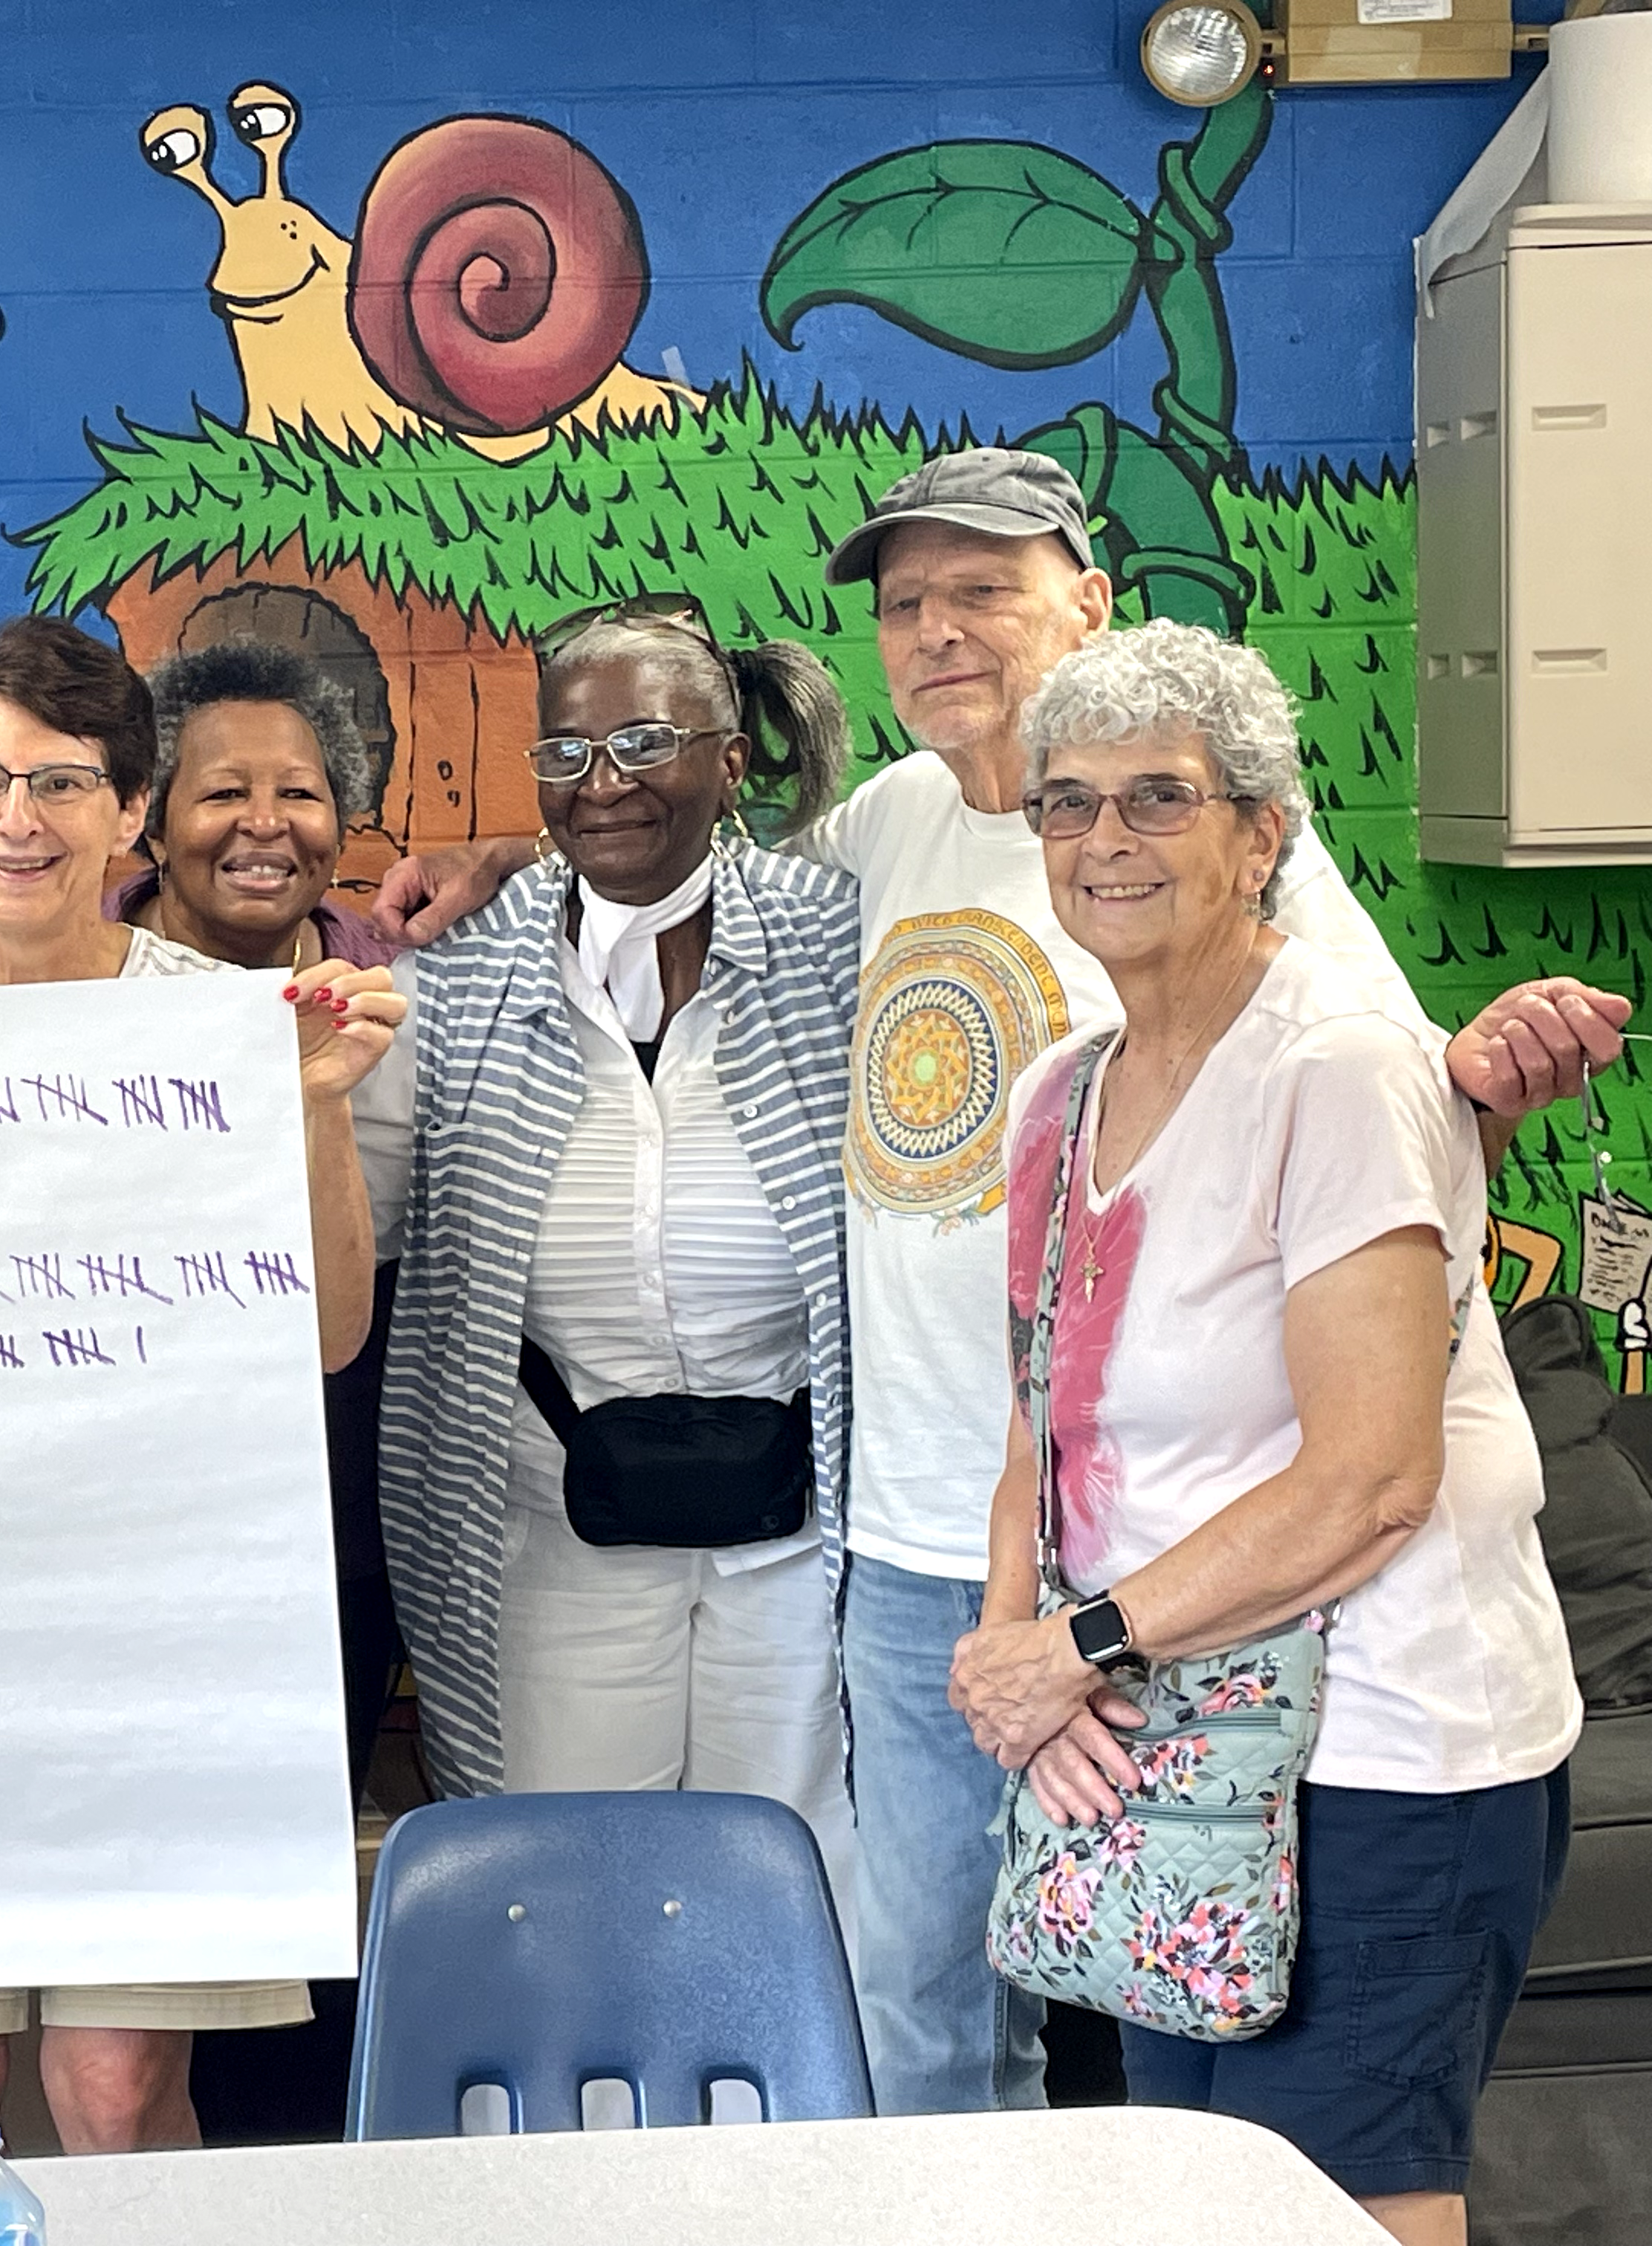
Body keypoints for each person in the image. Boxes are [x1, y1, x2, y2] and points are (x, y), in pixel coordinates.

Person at [368, 446, 1626, 2114]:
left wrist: (1474, 1068)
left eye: (986, 591)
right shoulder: (874, 832)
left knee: (1180, 1980)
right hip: (918, 1541)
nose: (940, 631)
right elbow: (665, 858)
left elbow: (1373, 1094)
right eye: (908, 603)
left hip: (1172, 1553)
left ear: (1088, 605)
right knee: (918, 1991)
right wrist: (501, 875)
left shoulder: (1221, 846)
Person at [948, 621, 1580, 2244]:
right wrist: (1011, 1656)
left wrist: (1081, 1641)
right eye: (1068, 804)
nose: (1104, 841)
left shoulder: (1340, 1072)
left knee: (1344, 2215)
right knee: (1201, 2206)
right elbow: (1042, 1426)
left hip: (1383, 1760)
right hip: (1181, 1756)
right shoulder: (1063, 1099)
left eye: (1159, 798)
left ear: (1262, 834)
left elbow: (1373, 1479)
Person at [0, 614, 402, 2164]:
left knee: (121, 2089)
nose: (18, 819)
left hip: (158, 1631)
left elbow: (332, 1335)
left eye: (61, 783)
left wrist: (319, 1110)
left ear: (129, 810)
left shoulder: (224, 1024)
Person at [351, 599, 860, 1913]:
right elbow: (368, 1217)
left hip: (801, 1527)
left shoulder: (838, 940)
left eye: (646, 742)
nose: (606, 784)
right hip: (550, 1518)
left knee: (802, 1881)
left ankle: (798, 2123)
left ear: (730, 758)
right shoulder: (459, 970)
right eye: (567, 756)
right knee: (574, 1890)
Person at [129, 639, 402, 1783]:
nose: (264, 824)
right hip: (128, 1477)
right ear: (150, 820)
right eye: (222, 793)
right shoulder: (71, 993)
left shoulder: (403, 993)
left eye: (298, 793)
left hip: (343, 1483)